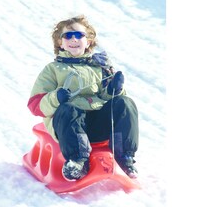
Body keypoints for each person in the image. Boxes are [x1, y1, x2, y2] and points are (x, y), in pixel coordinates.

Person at [27, 15, 139, 180]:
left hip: (98, 125)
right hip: (70, 128)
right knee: (68, 109)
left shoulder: (100, 67)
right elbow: (35, 105)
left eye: (79, 35)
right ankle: (77, 160)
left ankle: (125, 157)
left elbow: (110, 100)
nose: (74, 39)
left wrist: (114, 89)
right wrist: (56, 98)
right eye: (68, 36)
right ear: (60, 42)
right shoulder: (53, 69)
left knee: (125, 103)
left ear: (89, 41)